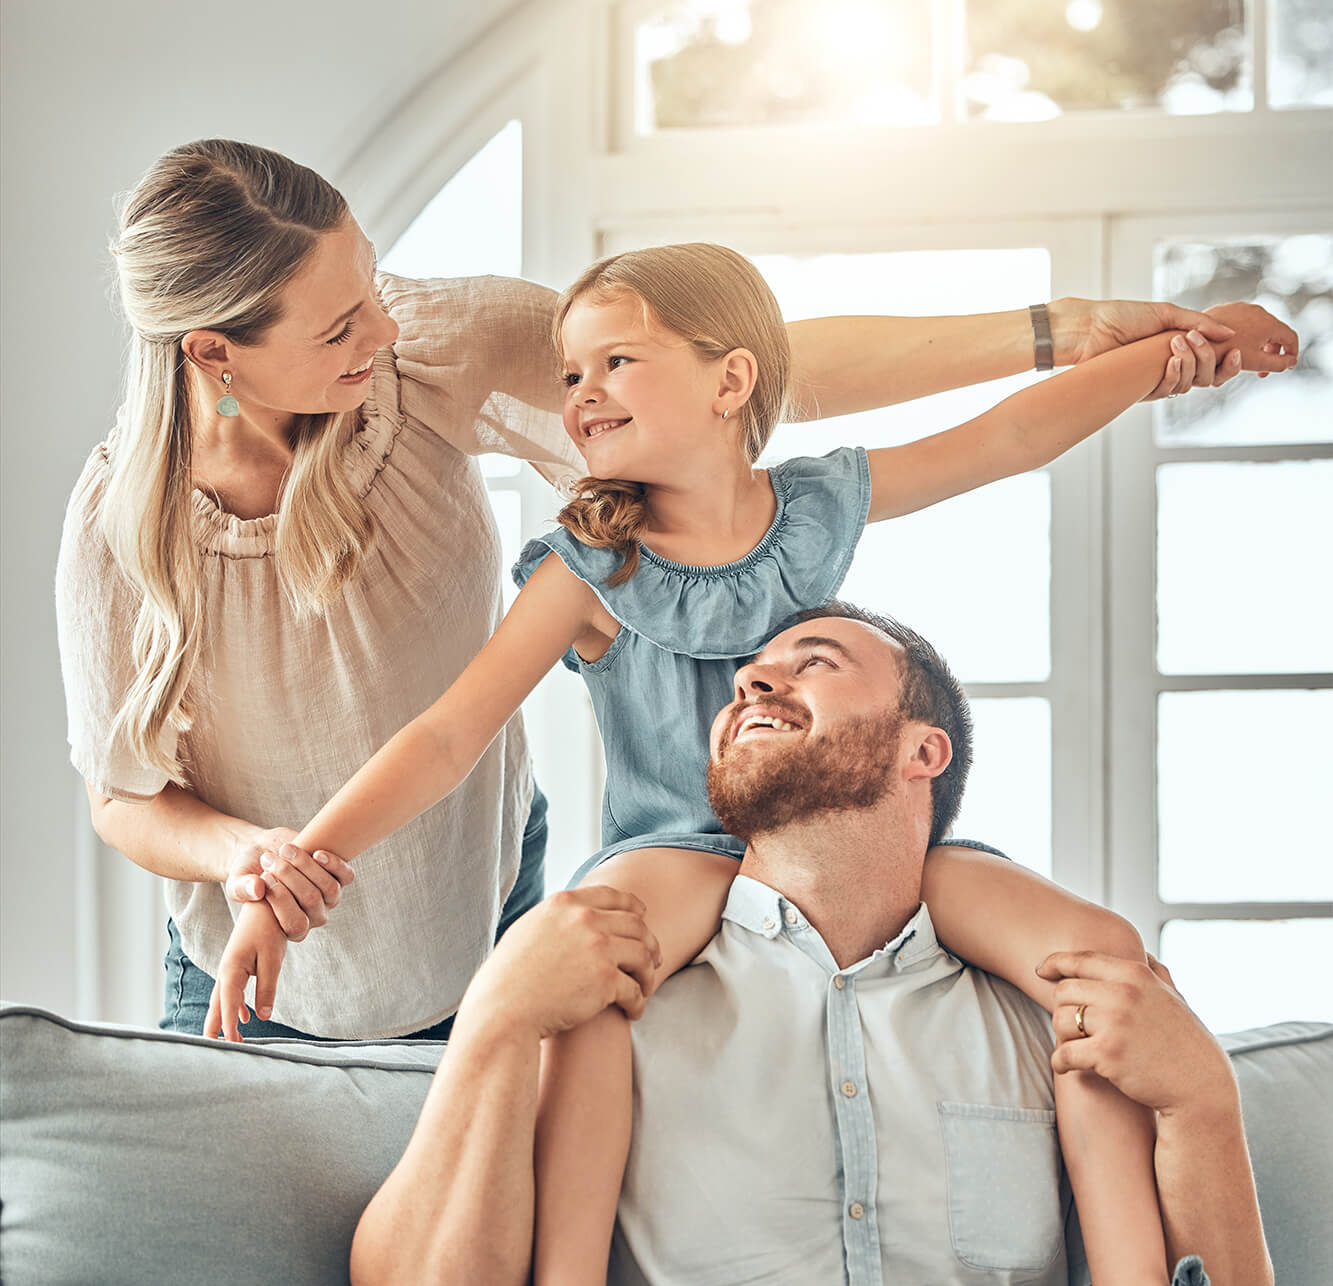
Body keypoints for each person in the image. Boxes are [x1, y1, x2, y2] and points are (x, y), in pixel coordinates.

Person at [204, 243, 1297, 1286]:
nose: (579, 394)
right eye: (571, 374)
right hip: (671, 850)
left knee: (1093, 950)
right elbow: (447, 734)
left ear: (730, 382)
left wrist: (1168, 353)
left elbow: (1008, 438)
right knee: (592, 991)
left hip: (820, 837)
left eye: (615, 362)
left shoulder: (813, 509)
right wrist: (294, 875)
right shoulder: (591, 565)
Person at [56, 139, 1298, 1044]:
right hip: (275, 956)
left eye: (372, 286)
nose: (378, 330)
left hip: (477, 900)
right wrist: (272, 868)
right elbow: (148, 792)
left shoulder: (428, 354)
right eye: (337, 327)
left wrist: (1093, 335)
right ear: (213, 352)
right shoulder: (128, 529)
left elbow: (769, 371)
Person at [346, 604, 1330, 1286]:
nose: (752, 685)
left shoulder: (1052, 1019)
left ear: (922, 749)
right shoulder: (612, 994)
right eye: (745, 681)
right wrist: (494, 1020)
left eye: (810, 663)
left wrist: (1202, 1099)